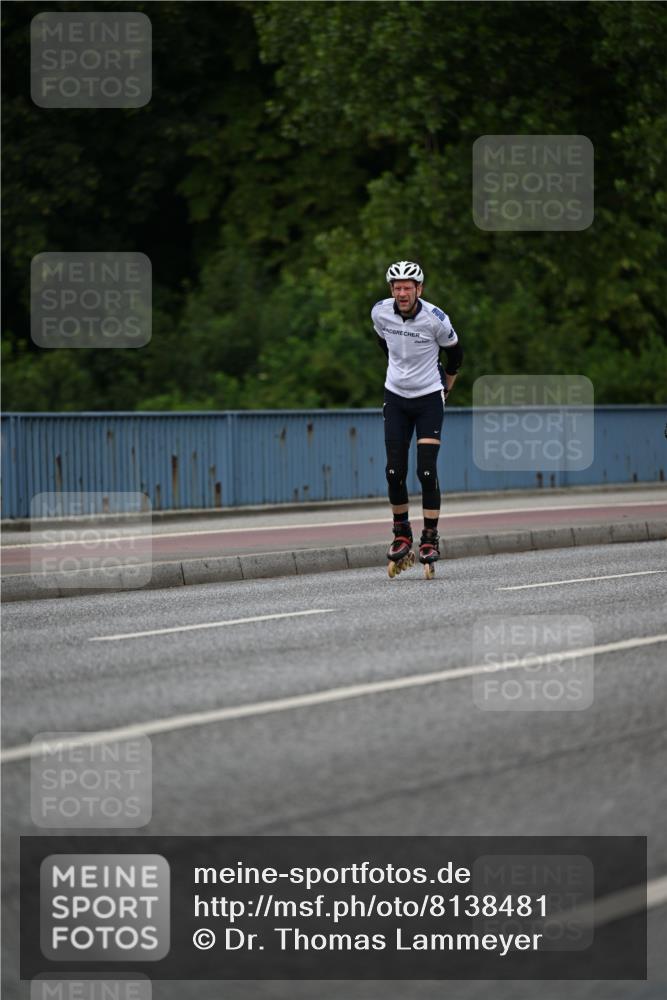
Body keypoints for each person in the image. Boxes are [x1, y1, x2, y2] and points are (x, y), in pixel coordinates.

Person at [371, 260, 463, 576]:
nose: (402, 292)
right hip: (395, 397)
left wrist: (445, 387)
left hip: (428, 399)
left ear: (419, 289)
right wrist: (400, 370)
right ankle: (401, 534)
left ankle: (430, 537)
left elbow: (456, 355)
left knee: (426, 470)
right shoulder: (380, 312)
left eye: (407, 287)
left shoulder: (435, 319)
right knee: (394, 470)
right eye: (396, 287)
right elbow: (385, 343)